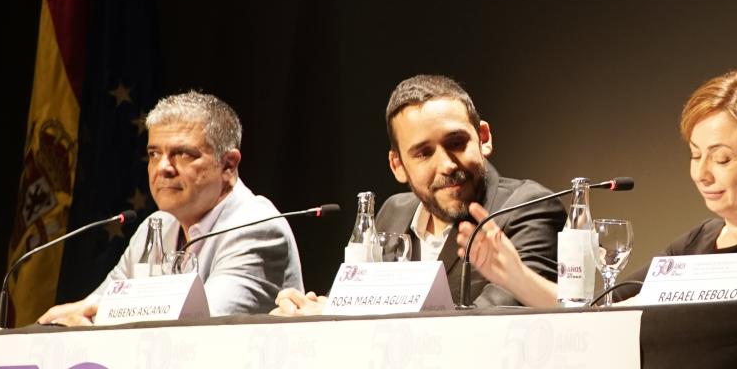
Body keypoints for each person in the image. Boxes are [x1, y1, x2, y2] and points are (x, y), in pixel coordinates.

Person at [459, 68, 737, 306]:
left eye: (722, 158)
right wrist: (515, 277)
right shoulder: (696, 242)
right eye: (696, 155)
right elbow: (605, 313)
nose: (702, 174)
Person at [272, 74, 563, 313]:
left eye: (457, 143)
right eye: (424, 153)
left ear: (483, 138)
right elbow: (355, 303)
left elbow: (490, 323)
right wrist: (311, 314)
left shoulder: (529, 208)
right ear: (398, 165)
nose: (447, 165)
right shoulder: (393, 212)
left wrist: (334, 316)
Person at [39, 91, 303, 323]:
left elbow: (200, 324)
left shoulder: (256, 226)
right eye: (154, 154)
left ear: (228, 165)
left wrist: (100, 316)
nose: (163, 168)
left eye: (183, 154)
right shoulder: (156, 227)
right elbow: (93, 306)